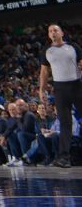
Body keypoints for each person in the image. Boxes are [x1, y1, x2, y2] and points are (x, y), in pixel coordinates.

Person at [39, 23, 82, 167]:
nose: (53, 33)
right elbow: (44, 72)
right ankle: (64, 157)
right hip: (60, 88)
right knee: (65, 123)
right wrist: (41, 90)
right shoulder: (47, 50)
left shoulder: (73, 47)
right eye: (50, 31)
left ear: (62, 33)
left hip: (77, 86)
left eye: (55, 30)